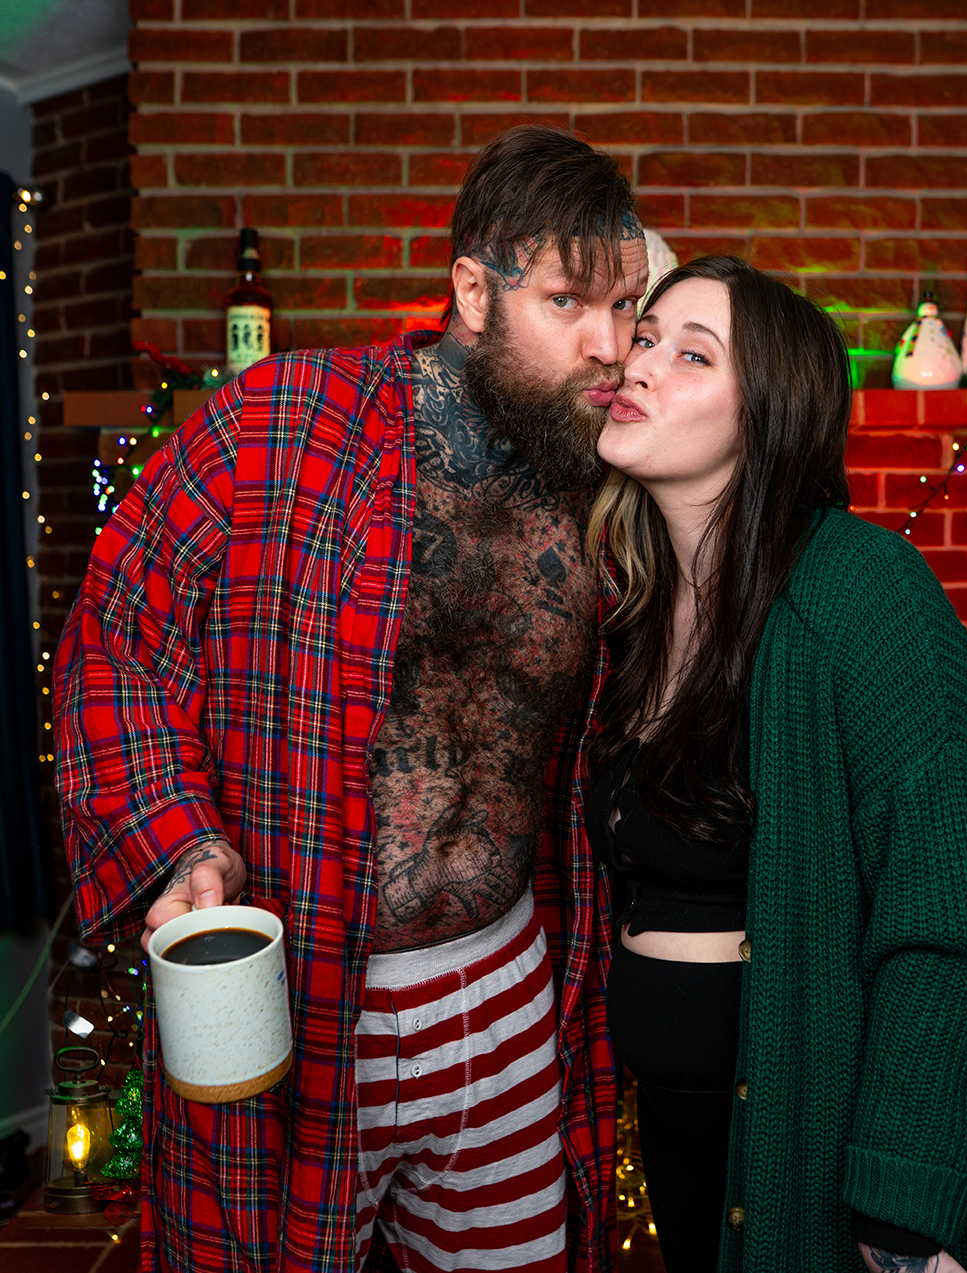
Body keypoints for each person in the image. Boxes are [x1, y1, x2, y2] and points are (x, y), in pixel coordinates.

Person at [53, 124, 647, 1273]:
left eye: (624, 306)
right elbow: (112, 639)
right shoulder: (278, 423)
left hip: (510, 989)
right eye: (571, 302)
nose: (607, 344)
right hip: (305, 1001)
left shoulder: (611, 487)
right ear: (474, 289)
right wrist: (180, 851)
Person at [580, 256, 967, 1273]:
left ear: (770, 415)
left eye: (690, 354)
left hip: (815, 1129)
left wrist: (903, 1217)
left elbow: (940, 926)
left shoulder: (868, 597)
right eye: (644, 339)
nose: (639, 364)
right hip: (684, 1131)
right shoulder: (638, 613)